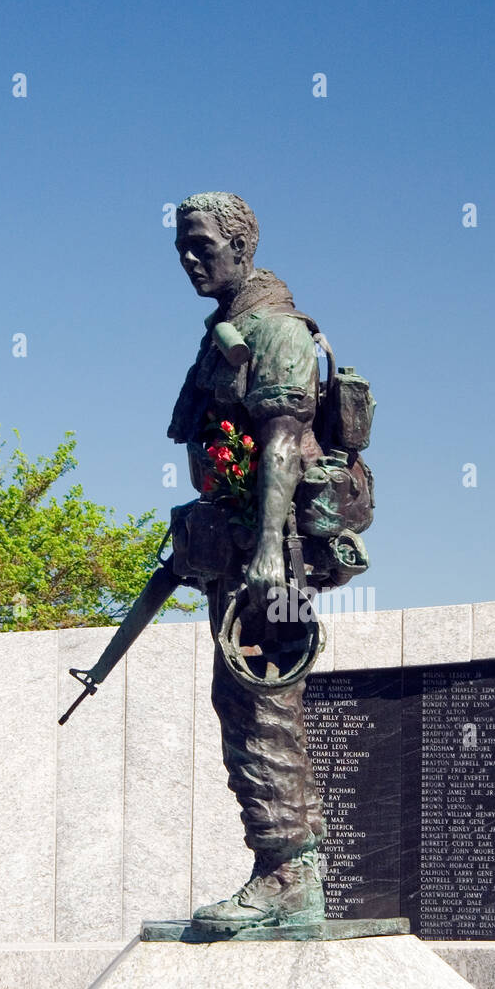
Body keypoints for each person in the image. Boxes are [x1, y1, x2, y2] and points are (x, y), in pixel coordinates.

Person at [168, 192, 328, 929]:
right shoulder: (222, 334)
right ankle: (284, 863)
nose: (190, 258)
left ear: (243, 245)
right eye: (182, 245)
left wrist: (267, 547)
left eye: (203, 244)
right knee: (242, 701)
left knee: (262, 703)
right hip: (235, 556)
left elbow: (286, 441)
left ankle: (287, 875)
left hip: (273, 559)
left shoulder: (278, 331)